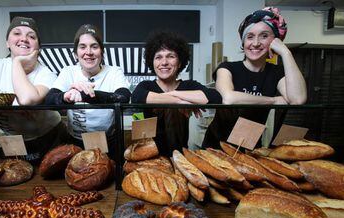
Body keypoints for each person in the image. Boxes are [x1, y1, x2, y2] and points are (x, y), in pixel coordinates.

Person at [0, 16, 68, 163]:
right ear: (7, 43)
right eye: (17, 33)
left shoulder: (46, 74)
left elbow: (27, 100)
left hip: (50, 137)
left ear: (38, 47)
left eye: (31, 36)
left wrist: (16, 62)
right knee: (14, 179)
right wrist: (1, 106)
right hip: (11, 137)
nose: (24, 39)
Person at [202, 7, 307, 149]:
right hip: (217, 144)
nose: (256, 43)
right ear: (243, 42)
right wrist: (273, 100)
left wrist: (285, 52)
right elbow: (229, 98)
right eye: (250, 36)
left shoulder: (276, 72)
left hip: (249, 143)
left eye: (264, 36)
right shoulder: (227, 68)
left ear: (274, 41)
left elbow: (298, 99)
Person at [131, 30, 222, 156]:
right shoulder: (146, 85)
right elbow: (137, 97)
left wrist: (176, 94)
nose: (164, 62)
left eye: (171, 56)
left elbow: (215, 97)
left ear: (179, 63)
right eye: (158, 57)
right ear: (152, 62)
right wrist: (181, 102)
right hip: (150, 156)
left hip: (179, 156)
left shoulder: (189, 85)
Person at [44, 24, 131, 155]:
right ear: (75, 53)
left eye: (94, 47)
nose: (88, 52)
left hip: (108, 142)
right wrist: (66, 96)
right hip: (74, 142)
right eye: (82, 47)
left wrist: (85, 94)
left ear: (101, 52)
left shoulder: (114, 71)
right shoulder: (68, 71)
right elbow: (50, 100)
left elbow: (123, 97)